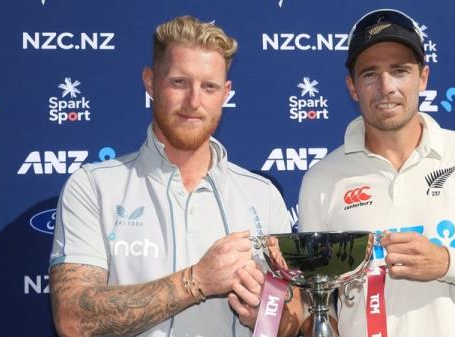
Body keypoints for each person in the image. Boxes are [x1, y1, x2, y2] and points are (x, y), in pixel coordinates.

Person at [49, 15, 301, 337]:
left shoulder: (262, 195)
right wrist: (196, 281)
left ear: (225, 93)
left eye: (209, 87)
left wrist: (265, 314)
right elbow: (73, 320)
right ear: (150, 82)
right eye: (179, 82)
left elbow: (296, 315)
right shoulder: (94, 187)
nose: (194, 102)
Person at [298, 8, 455, 337]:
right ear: (353, 87)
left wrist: (447, 263)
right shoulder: (322, 179)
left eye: (399, 71)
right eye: (370, 74)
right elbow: (316, 307)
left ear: (423, 77)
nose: (386, 86)